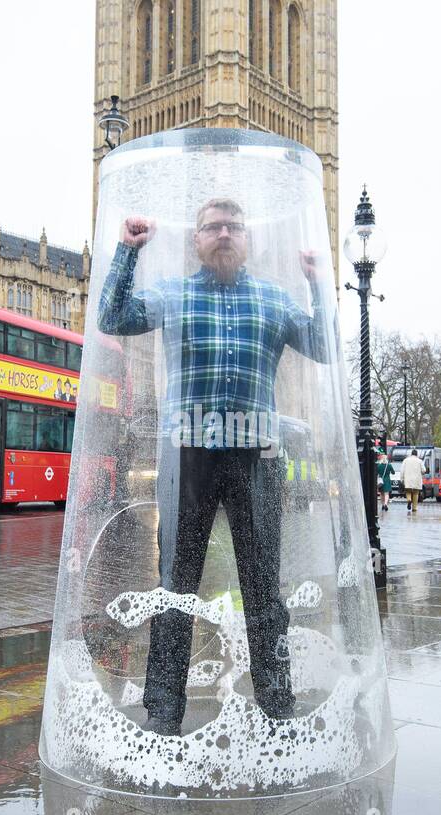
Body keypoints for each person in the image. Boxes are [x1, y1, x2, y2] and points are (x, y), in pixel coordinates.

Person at [98, 197, 331, 736]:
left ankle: (277, 704)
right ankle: (162, 710)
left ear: (246, 240)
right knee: (175, 587)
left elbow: (324, 348)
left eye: (233, 227)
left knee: (263, 589)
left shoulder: (274, 300)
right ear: (196, 240)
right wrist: (127, 251)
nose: (223, 234)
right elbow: (113, 317)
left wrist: (318, 282)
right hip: (187, 457)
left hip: (257, 458)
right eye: (212, 228)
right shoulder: (172, 295)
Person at [401, 448, 424, 513]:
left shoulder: (405, 460)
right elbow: (423, 470)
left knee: (408, 491)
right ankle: (414, 508)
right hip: (417, 480)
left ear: (411, 454)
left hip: (407, 479)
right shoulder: (420, 461)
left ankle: (409, 500)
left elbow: (402, 471)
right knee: (416, 493)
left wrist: (402, 479)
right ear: (417, 454)